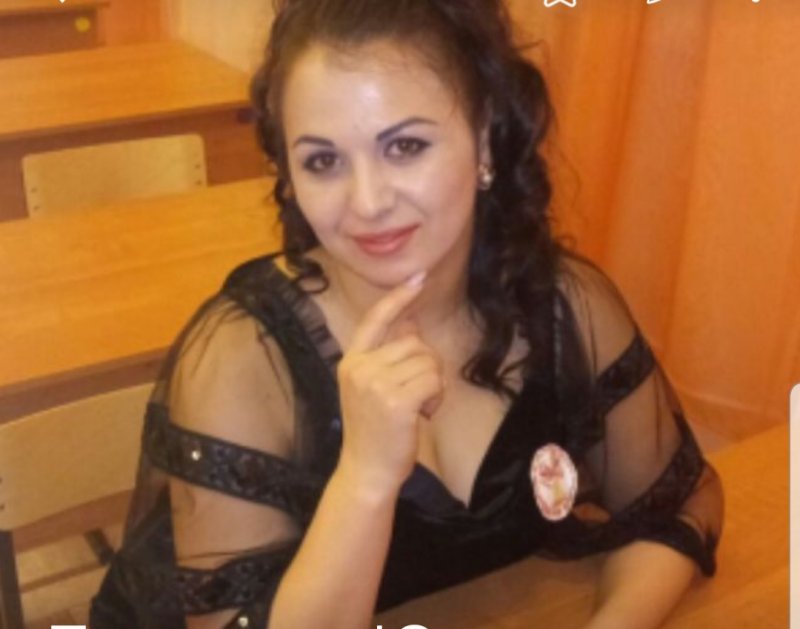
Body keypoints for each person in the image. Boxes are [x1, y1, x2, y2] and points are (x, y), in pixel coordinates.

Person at [90, 0, 724, 627]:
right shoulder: (244, 361)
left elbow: (674, 507)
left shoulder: (564, 307)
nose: (367, 202)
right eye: (323, 161)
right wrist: (365, 476)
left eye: (405, 146)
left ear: (483, 138)